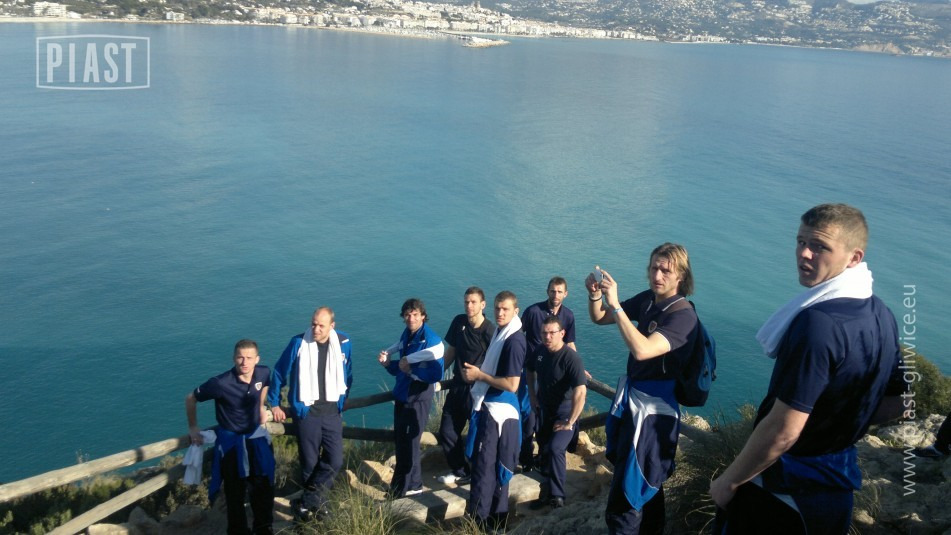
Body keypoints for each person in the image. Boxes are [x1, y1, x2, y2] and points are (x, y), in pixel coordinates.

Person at [709, 203, 903, 534]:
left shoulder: (819, 324)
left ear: (854, 257)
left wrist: (729, 482)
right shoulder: (882, 314)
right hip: (836, 489)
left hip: (784, 493)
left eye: (819, 246)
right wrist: (838, 424)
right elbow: (900, 402)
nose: (804, 254)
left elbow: (784, 430)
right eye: (801, 242)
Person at [586, 243, 699, 535]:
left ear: (681, 276)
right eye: (654, 268)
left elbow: (643, 350)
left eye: (666, 270)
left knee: (627, 494)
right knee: (646, 483)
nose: (657, 275)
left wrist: (616, 305)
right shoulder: (649, 300)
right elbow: (600, 317)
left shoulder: (683, 316)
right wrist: (596, 295)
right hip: (635, 403)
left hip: (654, 415)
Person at [269, 307, 353, 520]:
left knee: (335, 460)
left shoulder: (343, 342)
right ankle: (315, 509)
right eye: (313, 324)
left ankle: (306, 502)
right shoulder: (298, 343)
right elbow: (279, 372)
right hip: (307, 413)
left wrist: (344, 397)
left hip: (332, 412)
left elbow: (348, 371)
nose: (315, 329)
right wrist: (275, 404)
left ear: (332, 326)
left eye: (321, 325)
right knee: (309, 464)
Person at [185, 339, 275, 535]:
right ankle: (238, 531)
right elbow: (191, 398)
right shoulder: (220, 383)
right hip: (231, 444)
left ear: (257, 359)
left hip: (255, 439)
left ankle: (263, 528)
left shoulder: (263, 372)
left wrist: (261, 406)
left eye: (249, 358)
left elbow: (265, 384)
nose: (244, 362)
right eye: (240, 357)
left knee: (262, 486)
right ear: (234, 358)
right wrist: (193, 428)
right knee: (235, 492)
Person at [462, 291, 527, 531]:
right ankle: (496, 522)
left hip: (498, 411)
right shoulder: (503, 332)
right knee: (497, 466)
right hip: (500, 409)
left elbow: (512, 384)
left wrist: (479, 375)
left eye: (505, 309)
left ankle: (478, 522)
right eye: (498, 308)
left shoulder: (514, 341)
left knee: (485, 468)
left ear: (515, 311)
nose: (500, 313)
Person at [378, 298, 445, 497]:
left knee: (409, 444)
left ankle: (400, 490)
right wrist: (388, 364)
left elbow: (436, 374)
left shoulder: (431, 340)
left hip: (417, 398)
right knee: (403, 442)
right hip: (403, 395)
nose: (411, 318)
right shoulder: (407, 335)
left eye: (415, 314)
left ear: (423, 316)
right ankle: (413, 485)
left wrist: (412, 371)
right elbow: (401, 368)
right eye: (407, 315)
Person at [436, 287, 496, 485]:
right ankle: (461, 471)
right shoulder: (459, 322)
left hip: (479, 390)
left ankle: (483, 474)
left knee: (479, 435)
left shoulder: (489, 331)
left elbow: (497, 362)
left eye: (473, 302)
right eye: (466, 302)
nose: (469, 306)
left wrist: (481, 375)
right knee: (447, 430)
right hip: (457, 387)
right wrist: (436, 375)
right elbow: (451, 351)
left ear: (483, 305)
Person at [527, 316, 587, 509]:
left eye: (552, 333)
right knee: (544, 450)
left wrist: (570, 421)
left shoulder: (571, 358)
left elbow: (580, 391)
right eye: (544, 333)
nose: (547, 337)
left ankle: (558, 496)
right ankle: (545, 494)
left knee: (555, 448)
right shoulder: (539, 351)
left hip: (565, 412)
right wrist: (532, 396)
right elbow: (529, 370)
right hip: (544, 410)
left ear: (562, 333)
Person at [519, 276, 578, 471]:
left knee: (546, 416)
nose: (556, 295)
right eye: (553, 291)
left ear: (566, 294)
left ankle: (543, 458)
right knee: (529, 415)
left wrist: (578, 365)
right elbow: (517, 336)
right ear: (547, 291)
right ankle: (525, 459)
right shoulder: (533, 311)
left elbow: (569, 343)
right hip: (531, 370)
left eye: (560, 291)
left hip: (552, 374)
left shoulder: (568, 316)